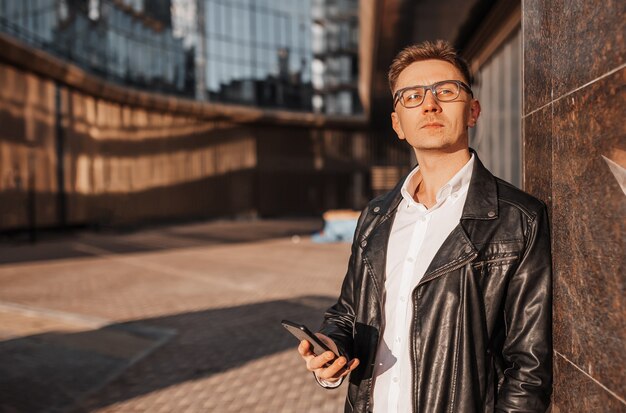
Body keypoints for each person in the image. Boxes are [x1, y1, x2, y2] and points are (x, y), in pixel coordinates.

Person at [296, 40, 552, 413]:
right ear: (398, 124)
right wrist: (332, 352)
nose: (430, 104)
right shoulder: (376, 216)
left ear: (473, 111)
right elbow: (348, 314)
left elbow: (529, 369)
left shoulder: (518, 218)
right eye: (412, 96)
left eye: (445, 91)